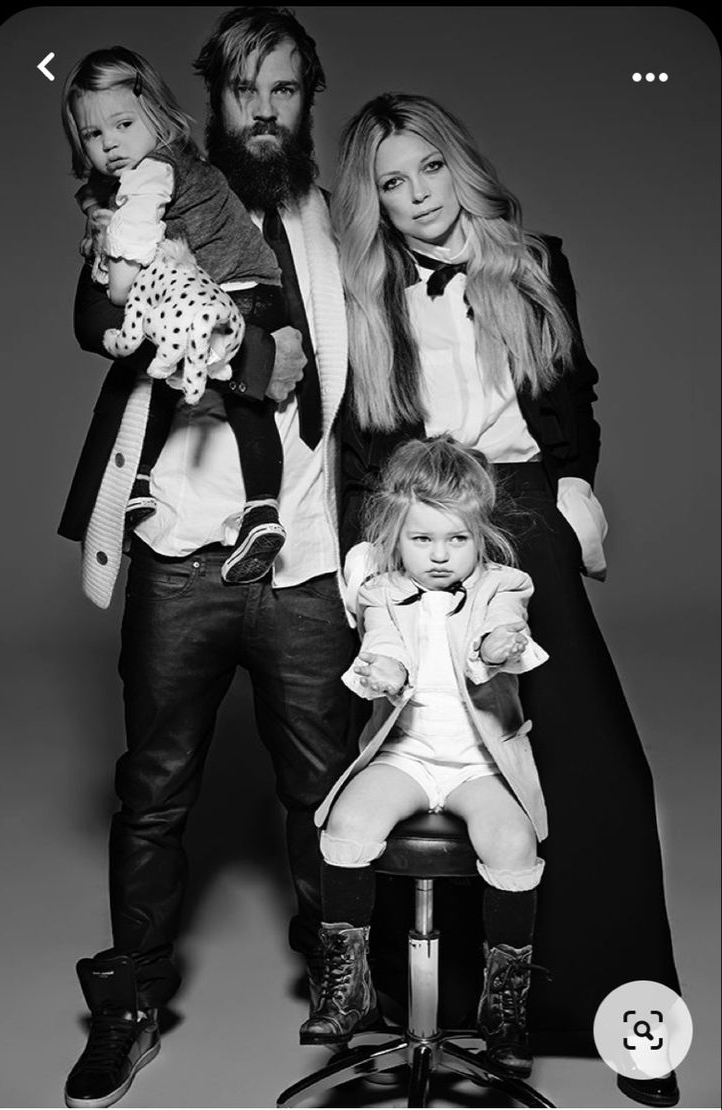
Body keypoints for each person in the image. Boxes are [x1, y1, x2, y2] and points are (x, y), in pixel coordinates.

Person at [333, 92, 681, 1108]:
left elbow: (572, 389)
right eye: (391, 186)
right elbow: (362, 444)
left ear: (459, 162)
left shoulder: (533, 258)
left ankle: (627, 1014)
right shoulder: (366, 293)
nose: (415, 197)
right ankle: (458, 1017)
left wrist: (574, 478)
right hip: (416, 515)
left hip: (519, 505)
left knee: (586, 755)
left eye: (427, 169)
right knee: (425, 749)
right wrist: (371, 558)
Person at [59, 8, 355, 1109]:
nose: (266, 113)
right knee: (154, 791)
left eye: (285, 91)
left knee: (325, 787)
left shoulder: (339, 224)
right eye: (246, 93)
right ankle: (133, 1000)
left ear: (309, 97)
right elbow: (98, 320)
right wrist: (165, 298)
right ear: (210, 103)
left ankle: (346, 971)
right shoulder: (151, 202)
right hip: (181, 552)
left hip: (311, 554)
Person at [300, 435, 550, 1078]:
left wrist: (499, 645)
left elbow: (507, 630)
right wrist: (379, 670)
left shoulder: (504, 583)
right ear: (396, 538)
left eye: (457, 541)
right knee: (346, 826)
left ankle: (505, 1006)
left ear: (480, 537)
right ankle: (346, 988)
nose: (440, 556)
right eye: (422, 540)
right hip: (407, 755)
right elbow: (384, 644)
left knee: (514, 843)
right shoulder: (382, 590)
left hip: (477, 764)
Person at [62, 45, 289, 585]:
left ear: (157, 116)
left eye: (122, 124)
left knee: (222, 392)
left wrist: (119, 277)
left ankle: (255, 508)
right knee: (174, 379)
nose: (110, 143)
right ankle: (155, 486)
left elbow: (130, 248)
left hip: (240, 292)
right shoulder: (175, 168)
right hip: (249, 291)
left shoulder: (151, 175)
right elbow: (89, 322)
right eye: (94, 135)